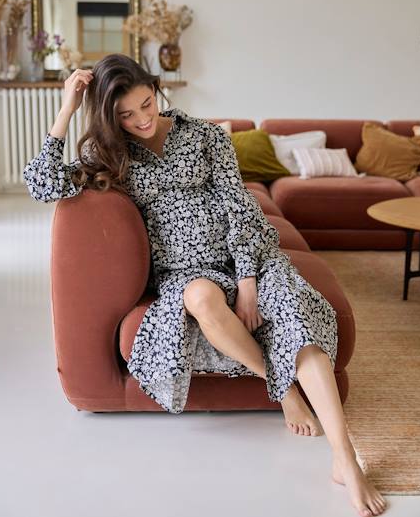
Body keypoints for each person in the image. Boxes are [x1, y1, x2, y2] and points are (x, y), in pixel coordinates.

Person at [23, 54, 387, 517]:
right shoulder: (111, 154)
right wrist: (67, 108)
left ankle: (344, 460)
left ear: (156, 89)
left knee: (297, 318)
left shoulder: (205, 134)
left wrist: (249, 279)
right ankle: (286, 392)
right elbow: (40, 184)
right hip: (183, 273)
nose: (140, 120)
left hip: (247, 259)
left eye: (146, 104)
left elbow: (238, 204)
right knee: (199, 299)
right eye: (126, 115)